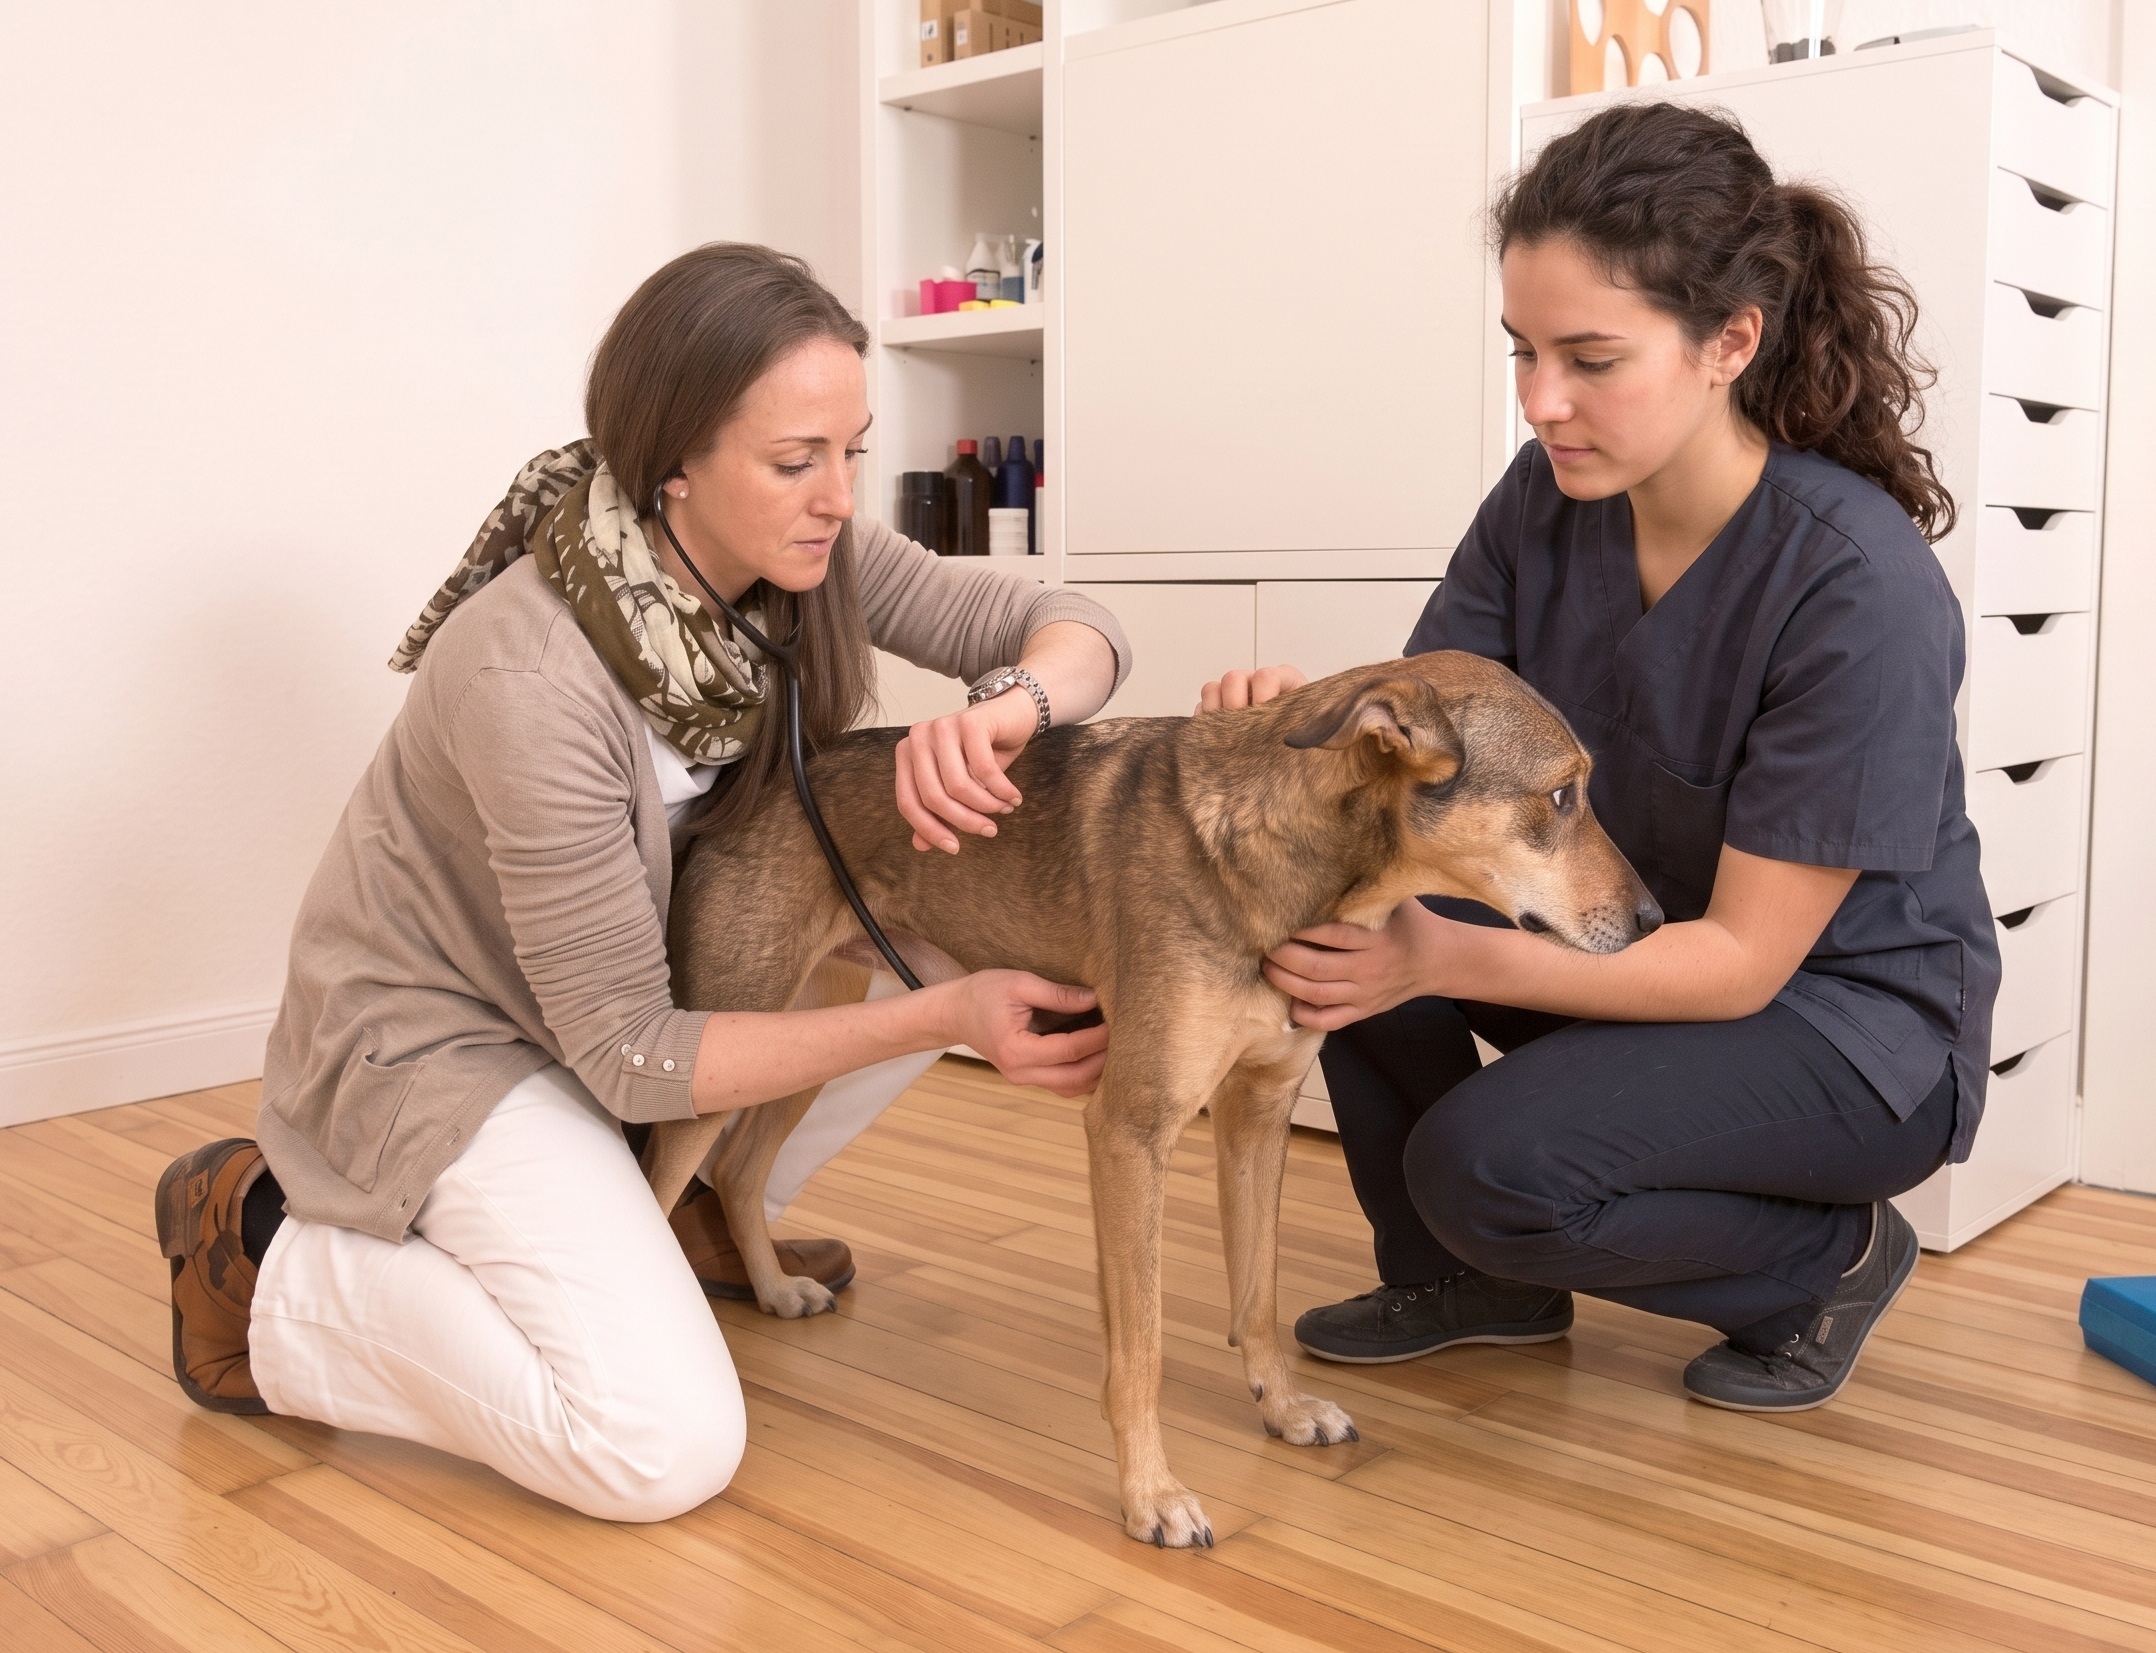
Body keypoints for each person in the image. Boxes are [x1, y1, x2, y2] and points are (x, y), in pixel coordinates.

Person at [154, 244, 1126, 1520]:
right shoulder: (528, 676)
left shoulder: (805, 550)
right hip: (453, 1039)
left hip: (634, 995)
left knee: (942, 909)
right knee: (655, 1447)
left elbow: (1076, 625)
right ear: (673, 461)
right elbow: (624, 1052)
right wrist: (944, 1018)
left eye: (850, 450)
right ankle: (263, 1254)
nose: (837, 497)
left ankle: (694, 1208)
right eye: (796, 460)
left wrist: (1013, 704)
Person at [1204, 102, 1998, 1412]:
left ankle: (1825, 1263)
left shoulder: (1856, 587)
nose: (1540, 401)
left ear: (1728, 342)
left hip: (1837, 1027)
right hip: (1625, 934)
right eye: (1522, 352)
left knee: (1486, 1165)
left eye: (1588, 358)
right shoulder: (1542, 499)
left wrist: (1442, 957)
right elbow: (1423, 752)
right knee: (1338, 919)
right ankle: (1475, 1285)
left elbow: (1741, 962)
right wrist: (1294, 728)